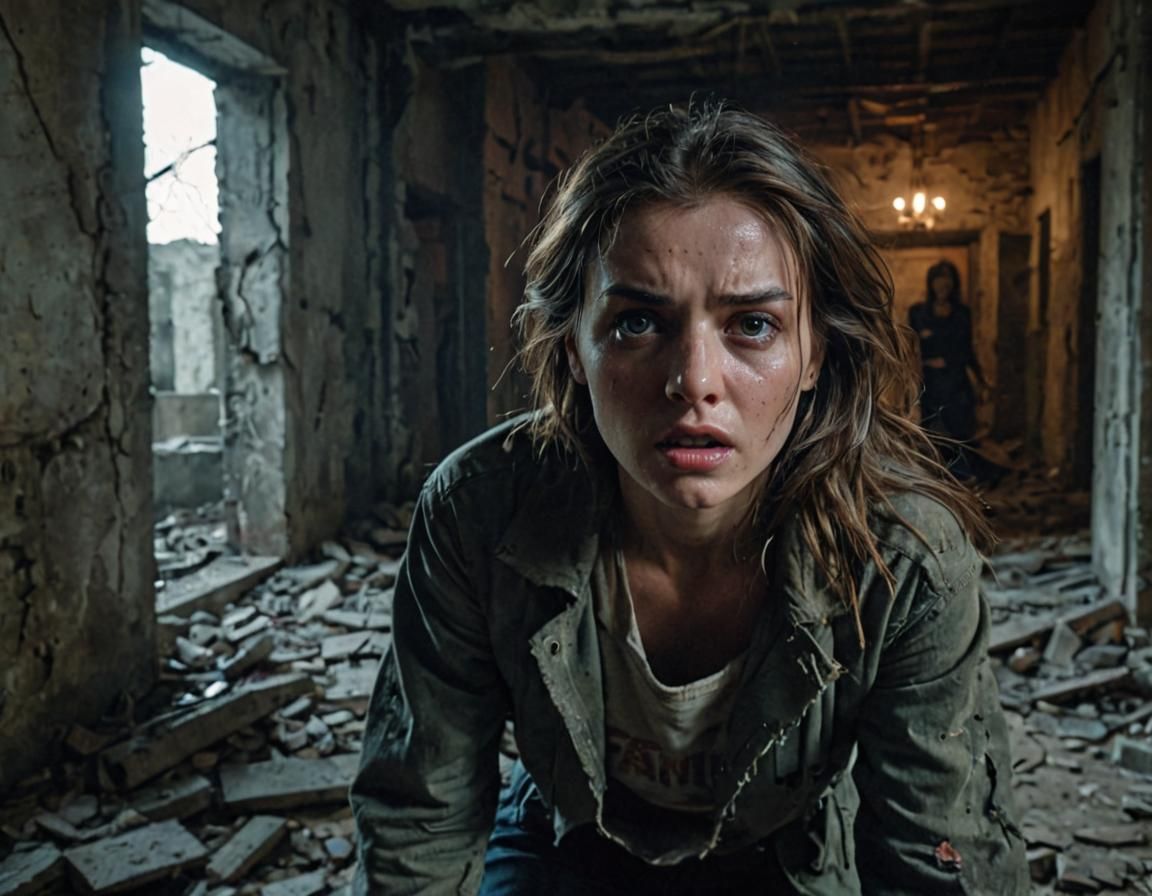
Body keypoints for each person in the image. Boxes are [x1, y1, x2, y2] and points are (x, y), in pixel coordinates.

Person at [351, 102, 1028, 895]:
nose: (694, 382)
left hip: (784, 851)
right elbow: (420, 820)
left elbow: (939, 859)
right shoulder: (479, 513)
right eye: (639, 322)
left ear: (815, 354)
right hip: (567, 832)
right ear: (573, 347)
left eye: (752, 325)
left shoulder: (903, 557)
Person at [907, 260, 990, 479]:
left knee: (960, 432)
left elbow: (968, 349)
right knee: (932, 433)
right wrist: (914, 379)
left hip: (957, 381)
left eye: (947, 284)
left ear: (953, 285)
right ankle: (934, 479)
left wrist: (981, 381)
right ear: (931, 284)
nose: (943, 288)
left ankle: (961, 481)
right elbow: (912, 350)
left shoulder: (962, 313)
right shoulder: (918, 313)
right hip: (931, 384)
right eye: (938, 283)